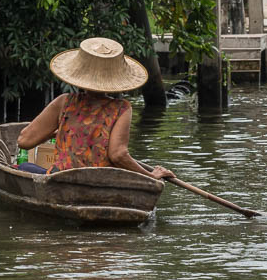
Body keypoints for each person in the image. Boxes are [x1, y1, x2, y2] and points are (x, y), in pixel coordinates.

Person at [16, 37, 174, 181]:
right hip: (101, 182)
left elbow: (24, 141)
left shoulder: (64, 102)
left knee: (23, 167)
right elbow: (118, 155)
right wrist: (151, 176)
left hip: (61, 179)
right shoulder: (122, 108)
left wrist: (56, 131)